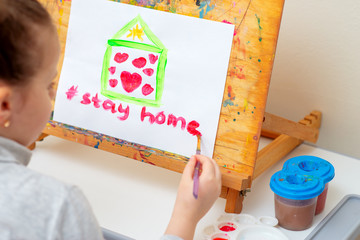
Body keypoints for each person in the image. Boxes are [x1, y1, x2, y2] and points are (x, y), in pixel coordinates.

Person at [0, 0, 222, 239]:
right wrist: (186, 216)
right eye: (49, 85)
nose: (55, 94)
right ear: (5, 105)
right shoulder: (59, 208)